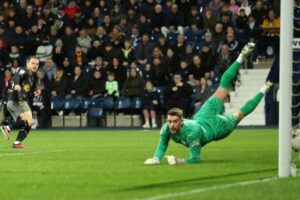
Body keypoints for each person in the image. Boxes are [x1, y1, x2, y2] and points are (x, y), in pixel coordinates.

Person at [144, 42, 273, 165]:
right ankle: (263, 88)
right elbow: (163, 144)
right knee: (235, 107)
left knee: (236, 107)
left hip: (216, 127)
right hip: (203, 118)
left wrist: (179, 161)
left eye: (175, 122)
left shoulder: (191, 134)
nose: (171, 125)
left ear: (182, 121)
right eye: (170, 121)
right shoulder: (167, 127)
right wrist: (156, 158)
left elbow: (195, 159)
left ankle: (245, 61)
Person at [1, 56, 41, 148]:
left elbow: (28, 94)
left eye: (37, 64)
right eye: (33, 63)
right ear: (27, 63)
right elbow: (16, 78)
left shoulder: (34, 77)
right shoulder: (24, 71)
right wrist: (16, 85)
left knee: (28, 123)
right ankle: (7, 127)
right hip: (16, 100)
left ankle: (17, 143)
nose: (35, 65)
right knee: (28, 121)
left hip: (19, 101)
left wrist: (34, 93)